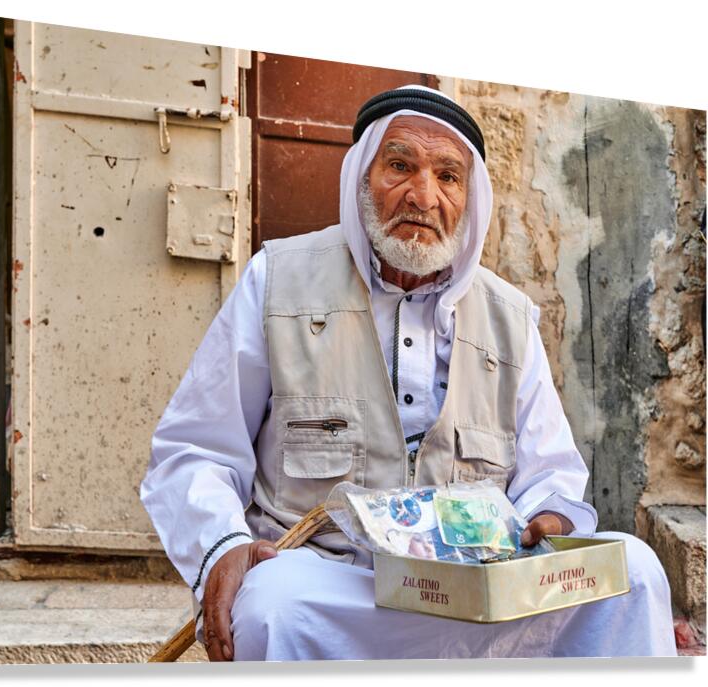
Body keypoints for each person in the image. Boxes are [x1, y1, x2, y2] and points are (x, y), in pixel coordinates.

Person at [140, 85, 676, 660]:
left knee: (635, 571)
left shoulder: (510, 320)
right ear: (361, 179)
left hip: (475, 592)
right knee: (275, 605)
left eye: (448, 177)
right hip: (337, 586)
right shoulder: (278, 282)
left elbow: (550, 475)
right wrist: (222, 546)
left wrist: (548, 517)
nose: (423, 196)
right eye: (400, 166)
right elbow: (196, 451)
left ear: (470, 200)